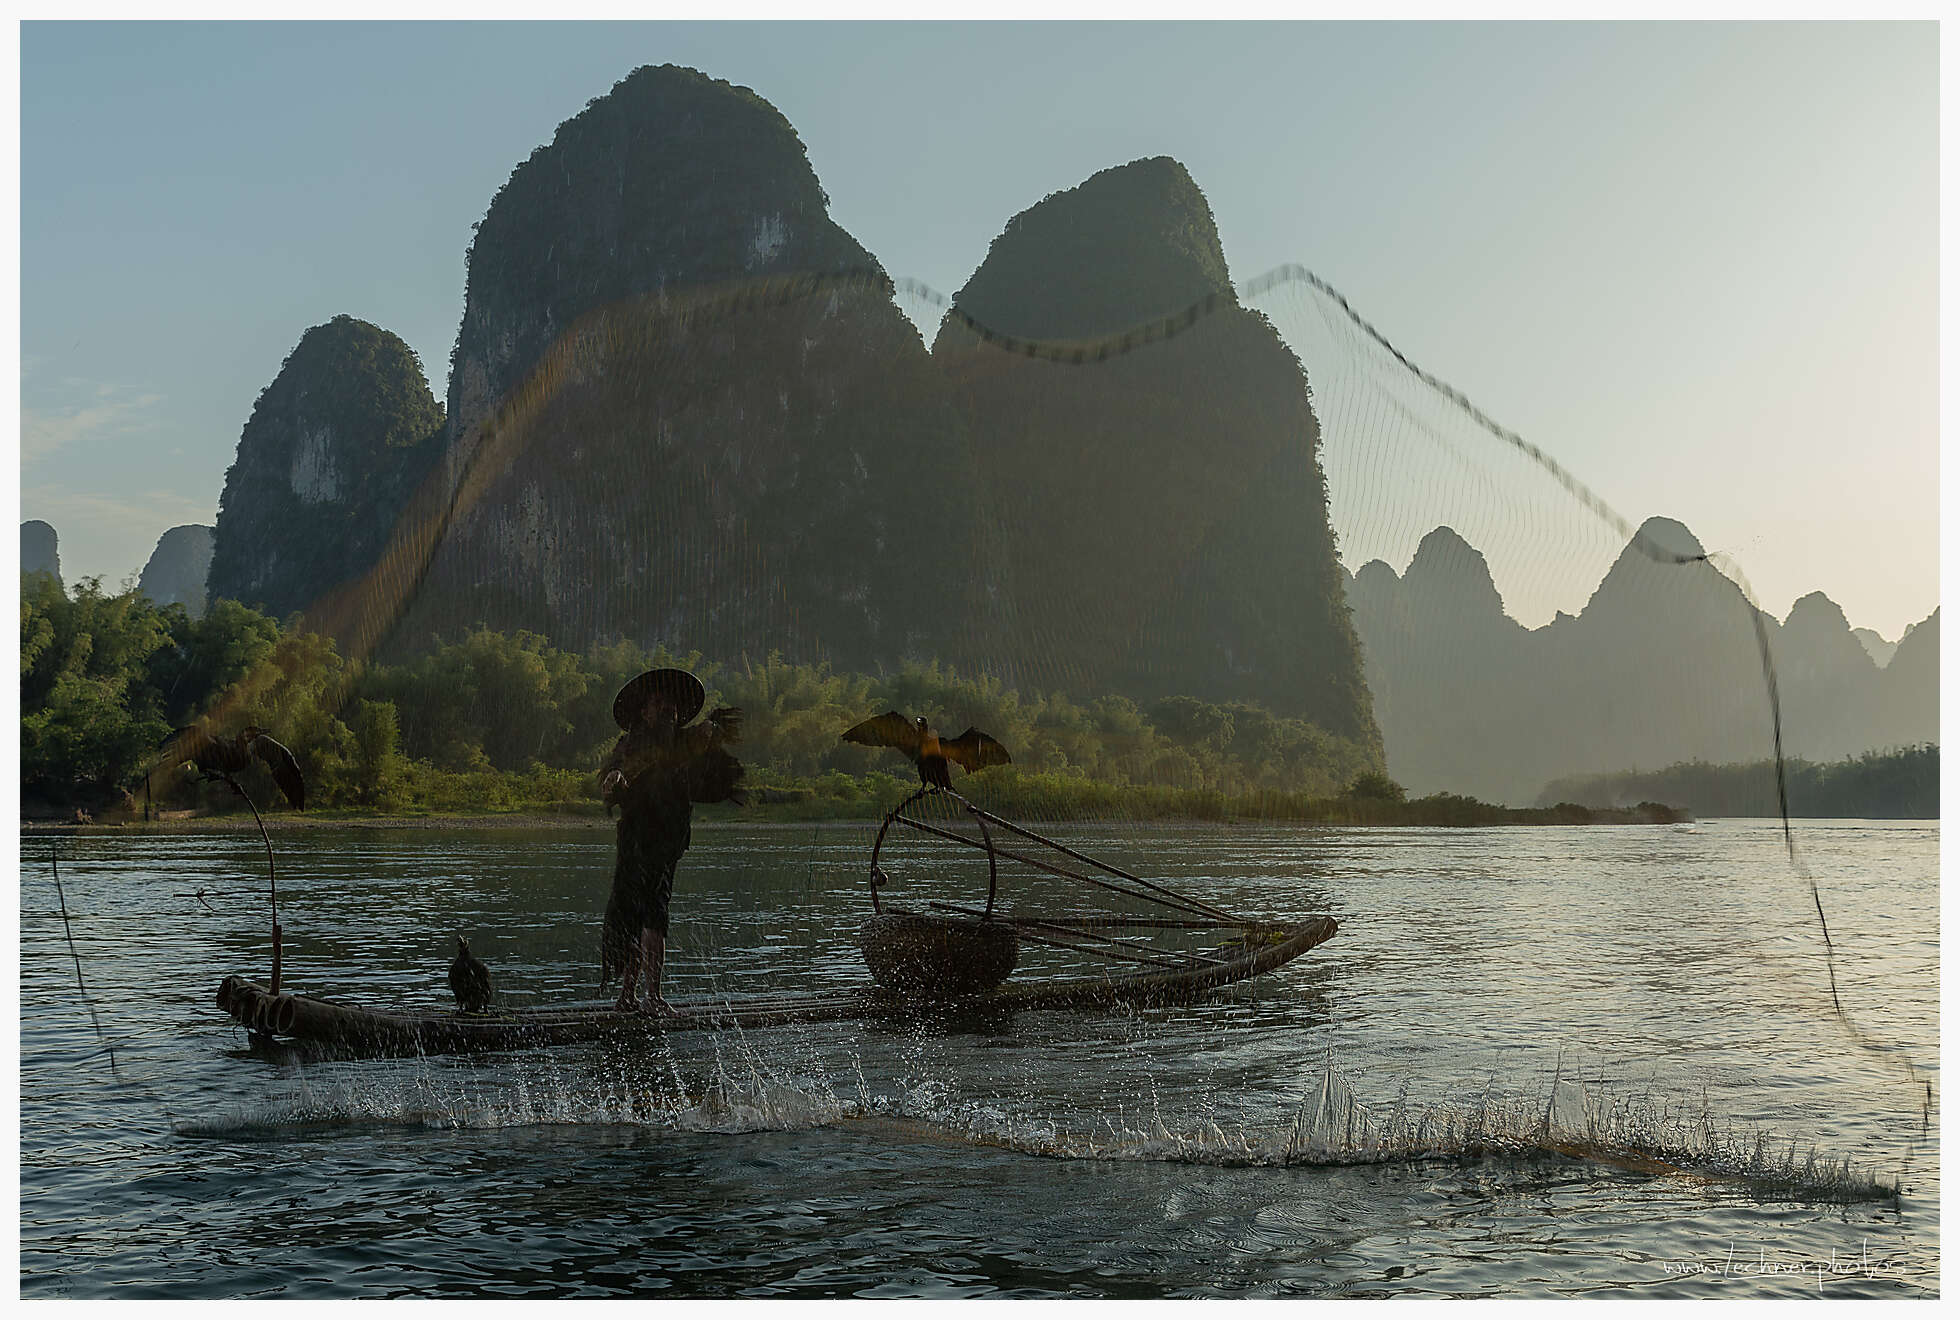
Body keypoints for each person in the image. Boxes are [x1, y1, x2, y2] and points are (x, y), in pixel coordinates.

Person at [599, 668, 745, 1013]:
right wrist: (615, 776)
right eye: (660, 704)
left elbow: (706, 768)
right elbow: (618, 766)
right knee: (630, 915)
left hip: (667, 842)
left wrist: (713, 733)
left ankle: (652, 995)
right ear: (645, 711)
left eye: (673, 707)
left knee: (655, 914)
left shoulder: (684, 743)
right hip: (636, 841)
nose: (669, 711)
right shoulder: (632, 743)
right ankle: (628, 996)